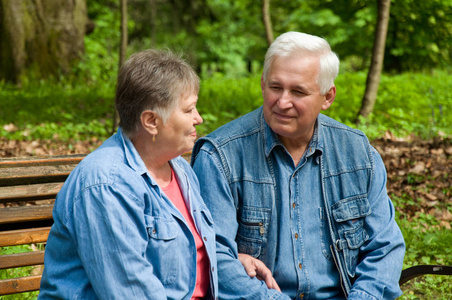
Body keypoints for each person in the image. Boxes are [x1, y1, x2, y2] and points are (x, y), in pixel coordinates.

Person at [191, 31, 406, 300]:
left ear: (328, 97)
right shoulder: (221, 156)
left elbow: (384, 247)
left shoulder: (357, 153)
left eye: (298, 91)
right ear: (262, 84)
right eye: (275, 87)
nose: (282, 102)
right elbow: (213, 258)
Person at [39, 49, 218, 299]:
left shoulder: (180, 168)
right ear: (151, 121)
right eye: (188, 110)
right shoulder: (106, 185)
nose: (198, 118)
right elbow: (131, 291)